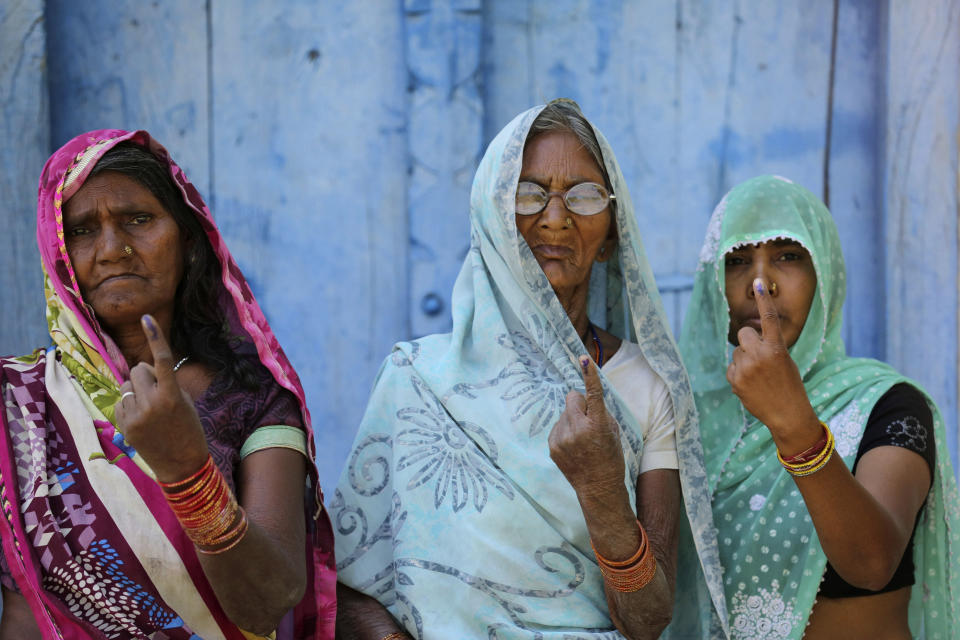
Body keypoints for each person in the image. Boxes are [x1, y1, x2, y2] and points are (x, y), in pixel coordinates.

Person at [331, 100, 726, 639]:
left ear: (612, 233)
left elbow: (648, 619)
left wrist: (602, 490)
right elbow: (348, 579)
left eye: (584, 196)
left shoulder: (647, 390)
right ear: (494, 219)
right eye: (528, 193)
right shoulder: (416, 378)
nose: (556, 217)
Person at [0, 130, 337, 639]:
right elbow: (25, 609)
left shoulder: (253, 399)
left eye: (138, 219)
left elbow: (268, 601)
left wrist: (186, 470)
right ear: (58, 254)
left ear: (188, 240)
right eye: (83, 229)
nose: (113, 249)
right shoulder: (20, 405)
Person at [674, 175, 960, 639]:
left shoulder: (884, 404)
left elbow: (872, 563)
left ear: (825, 272)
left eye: (788, 256)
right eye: (738, 260)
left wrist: (794, 424)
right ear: (713, 287)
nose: (760, 283)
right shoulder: (686, 422)